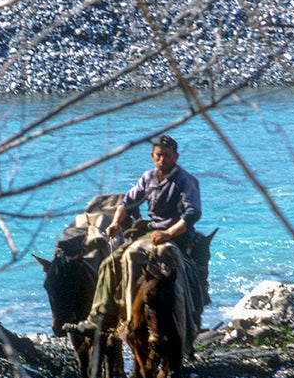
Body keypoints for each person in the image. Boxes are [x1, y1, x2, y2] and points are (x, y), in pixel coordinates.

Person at [84, 134, 206, 350]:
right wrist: (114, 223)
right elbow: (127, 202)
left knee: (135, 257)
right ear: (152, 156)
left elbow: (192, 214)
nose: (163, 160)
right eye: (159, 155)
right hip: (150, 232)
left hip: (176, 234)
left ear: (176, 157)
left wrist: (168, 234)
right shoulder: (148, 178)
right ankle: (100, 317)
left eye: (167, 156)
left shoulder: (186, 181)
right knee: (110, 262)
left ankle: (183, 326)